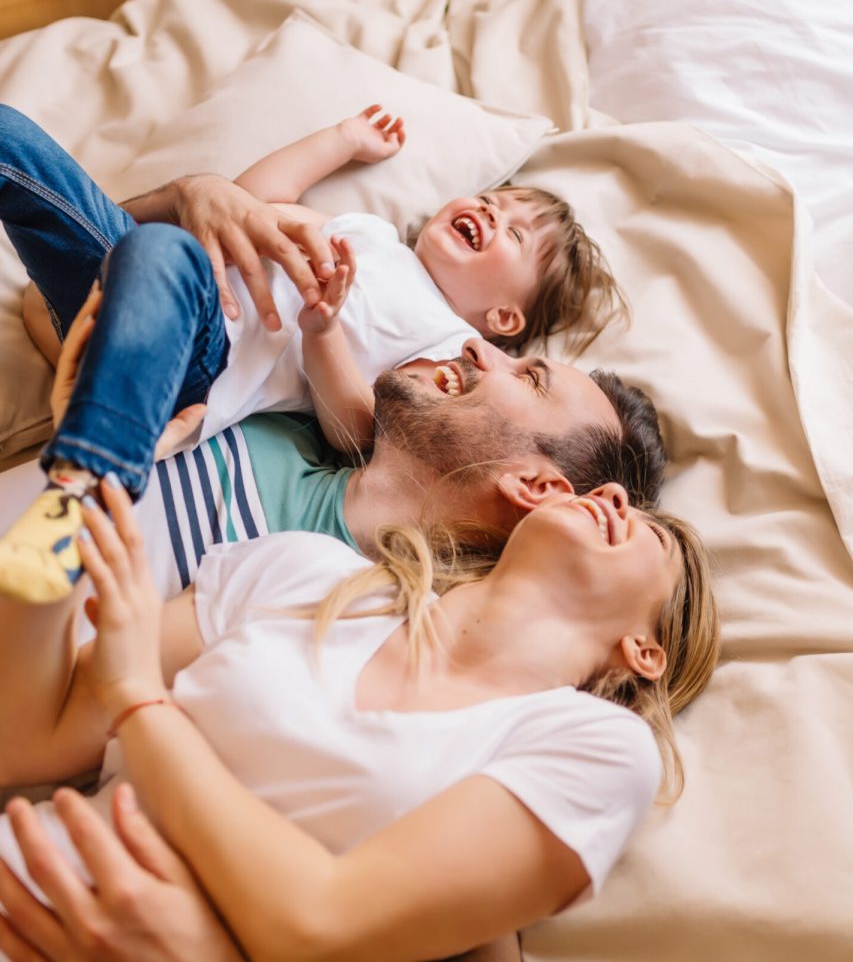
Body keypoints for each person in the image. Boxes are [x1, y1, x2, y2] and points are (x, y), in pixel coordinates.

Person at [0, 462, 719, 962]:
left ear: (645, 651)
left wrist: (137, 697)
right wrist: (79, 480)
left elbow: (314, 926)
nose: (615, 493)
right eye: (602, 488)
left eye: (650, 534)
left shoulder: (595, 751)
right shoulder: (304, 574)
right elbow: (27, 740)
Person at [0, 103, 624, 603]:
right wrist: (340, 139)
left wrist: (322, 333)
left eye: (514, 234)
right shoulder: (370, 236)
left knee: (160, 253)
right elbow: (255, 201)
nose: (490, 212)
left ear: (504, 319)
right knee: (13, 139)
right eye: (494, 200)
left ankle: (84, 482)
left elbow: (359, 432)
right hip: (161, 281)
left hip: (206, 360)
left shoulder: (453, 351)